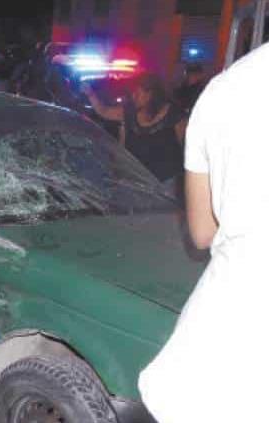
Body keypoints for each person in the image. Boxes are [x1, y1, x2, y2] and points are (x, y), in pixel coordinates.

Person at [139, 41, 269, 423]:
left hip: (228, 326)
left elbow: (203, 231)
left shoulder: (221, 93)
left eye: (140, 90)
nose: (135, 95)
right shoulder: (138, 112)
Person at [82, 73, 186, 196]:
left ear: (150, 94)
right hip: (137, 182)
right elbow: (104, 111)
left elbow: (185, 146)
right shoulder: (129, 112)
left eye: (138, 92)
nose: (133, 96)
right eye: (133, 92)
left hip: (166, 184)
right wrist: (90, 94)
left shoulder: (173, 114)